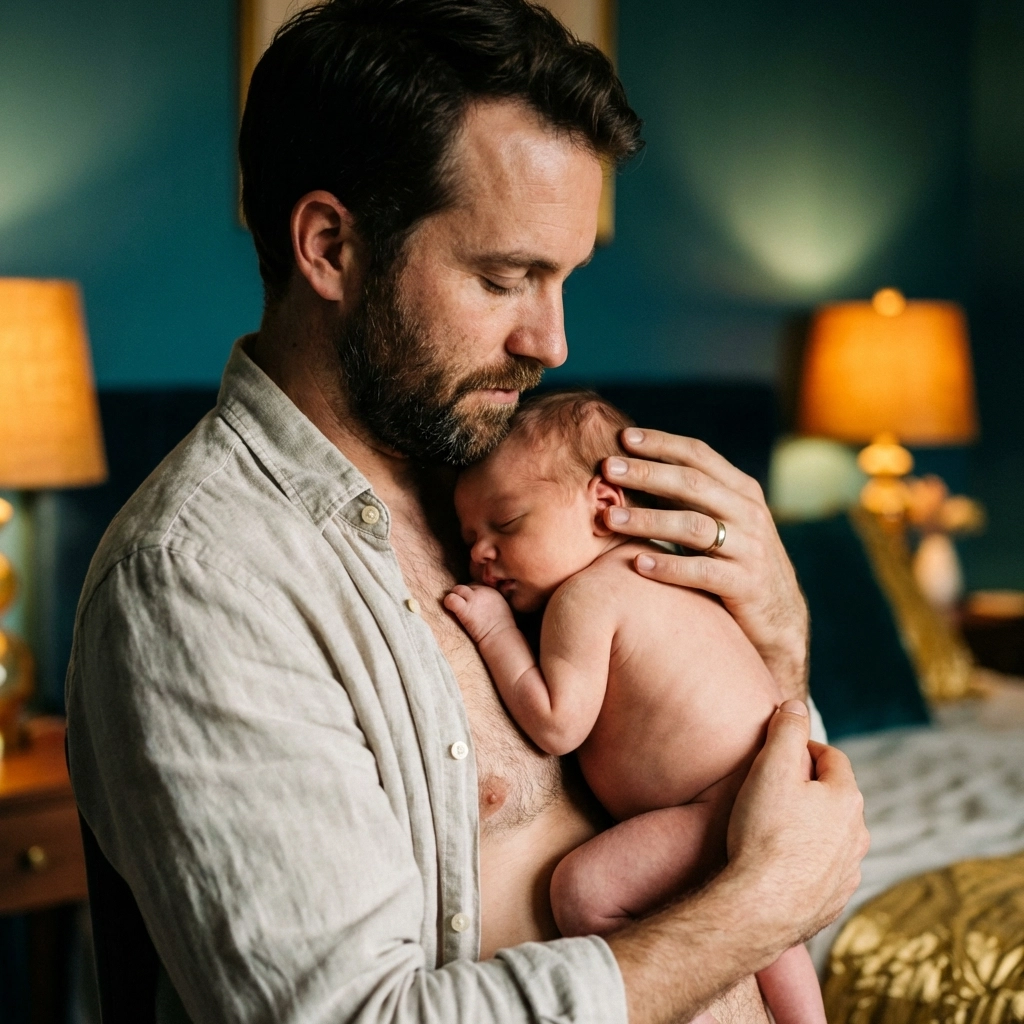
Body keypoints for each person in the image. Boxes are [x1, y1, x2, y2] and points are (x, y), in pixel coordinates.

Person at [66, 2, 868, 1023]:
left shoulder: (514, 493)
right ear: (328, 246)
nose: (554, 341)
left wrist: (777, 633)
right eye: (504, 277)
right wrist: (756, 909)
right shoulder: (200, 583)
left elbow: (732, 797)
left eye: (564, 278)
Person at [446, 389, 827, 1024]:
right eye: (468, 538)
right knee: (773, 932)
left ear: (605, 504)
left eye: (506, 524)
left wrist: (494, 632)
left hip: (716, 799)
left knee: (582, 891)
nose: (481, 554)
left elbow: (557, 724)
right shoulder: (669, 568)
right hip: (771, 784)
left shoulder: (586, 597)